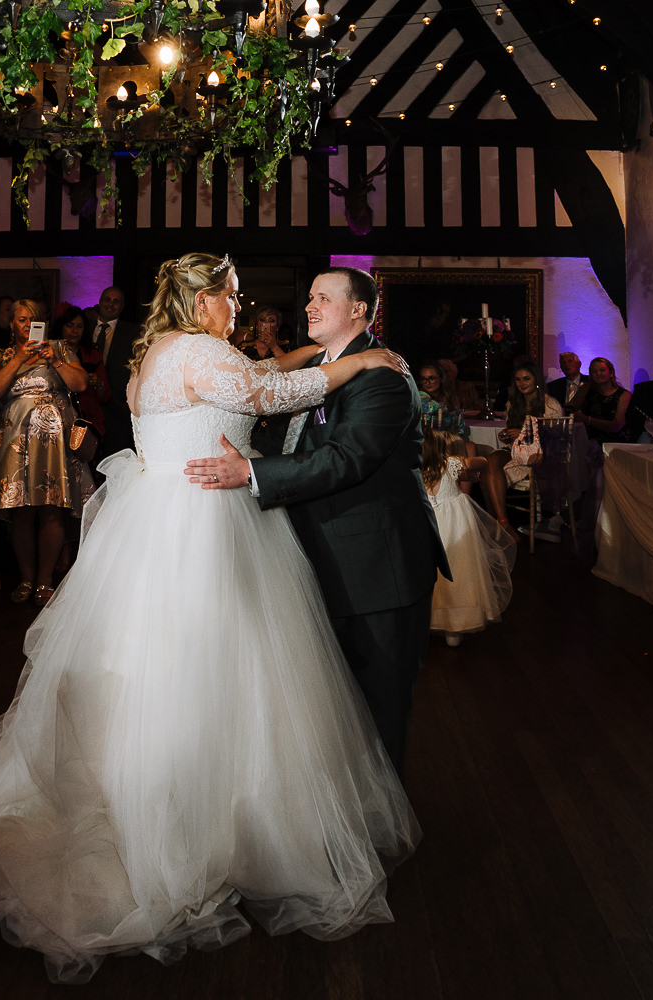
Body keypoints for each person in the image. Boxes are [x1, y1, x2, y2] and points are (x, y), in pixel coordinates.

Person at [0, 253, 419, 984]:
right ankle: (209, 828)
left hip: (157, 519)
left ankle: (175, 804)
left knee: (158, 670)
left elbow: (263, 367)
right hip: (205, 522)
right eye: (231, 295)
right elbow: (272, 390)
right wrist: (353, 362)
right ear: (203, 304)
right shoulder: (202, 352)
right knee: (218, 668)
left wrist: (321, 351)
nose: (238, 304)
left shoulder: (160, 353)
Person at [187, 264, 451, 775]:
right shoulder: (324, 369)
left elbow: (347, 457)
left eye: (323, 298)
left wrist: (252, 474)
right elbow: (287, 438)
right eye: (308, 296)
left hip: (377, 570)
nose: (308, 306)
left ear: (358, 310)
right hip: (323, 560)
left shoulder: (382, 377)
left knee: (379, 705)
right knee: (335, 704)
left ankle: (379, 829)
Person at [0, 299, 92, 605]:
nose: (26, 325)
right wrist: (18, 358)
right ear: (11, 324)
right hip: (16, 436)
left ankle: (45, 582)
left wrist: (54, 360)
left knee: (51, 506)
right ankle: (26, 578)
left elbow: (81, 383)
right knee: (22, 511)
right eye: (20, 320)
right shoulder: (2, 355)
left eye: (32, 319)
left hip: (54, 439)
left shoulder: (59, 347)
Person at [420, 425, 515, 647]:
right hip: (455, 523)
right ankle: (455, 626)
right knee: (459, 570)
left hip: (427, 522)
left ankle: (427, 619)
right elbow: (482, 461)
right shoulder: (451, 463)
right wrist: (467, 466)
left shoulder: (416, 468)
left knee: (430, 571)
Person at [481, 359, 564, 534]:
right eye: (518, 379)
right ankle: (499, 522)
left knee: (489, 473)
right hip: (516, 449)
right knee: (488, 461)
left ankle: (499, 523)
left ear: (536, 380)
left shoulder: (549, 404)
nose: (522, 383)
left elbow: (554, 438)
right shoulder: (513, 404)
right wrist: (507, 434)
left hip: (538, 455)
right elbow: (514, 436)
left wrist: (523, 432)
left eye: (526, 378)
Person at [83, 285, 139, 457]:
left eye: (116, 302)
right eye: (107, 299)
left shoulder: (134, 332)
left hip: (117, 411)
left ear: (122, 307)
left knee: (114, 461)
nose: (111, 304)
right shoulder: (83, 327)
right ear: (99, 302)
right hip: (85, 407)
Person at [56, 302, 111, 436]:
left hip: (88, 420)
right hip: (57, 419)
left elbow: (105, 396)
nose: (75, 331)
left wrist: (98, 384)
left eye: (79, 327)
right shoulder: (52, 354)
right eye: (70, 326)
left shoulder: (92, 354)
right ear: (61, 327)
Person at [570, 356, 631, 444]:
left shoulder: (624, 395)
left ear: (611, 373)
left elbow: (617, 425)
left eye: (602, 370)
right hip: (588, 443)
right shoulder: (586, 389)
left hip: (614, 444)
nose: (598, 373)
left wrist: (587, 420)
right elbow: (571, 408)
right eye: (594, 371)